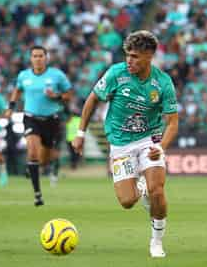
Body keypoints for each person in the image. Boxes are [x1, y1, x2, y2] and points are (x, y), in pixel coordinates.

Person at [72, 30, 178, 258]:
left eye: (135, 56)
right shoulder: (115, 74)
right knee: (127, 201)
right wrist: (80, 132)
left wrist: (160, 148)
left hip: (150, 139)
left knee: (157, 191)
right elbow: (92, 100)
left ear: (149, 56)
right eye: (127, 55)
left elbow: (172, 123)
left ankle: (156, 242)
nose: (129, 60)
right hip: (120, 144)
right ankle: (140, 187)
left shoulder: (163, 83)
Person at [4, 45, 72, 206]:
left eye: (41, 56)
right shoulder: (24, 76)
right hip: (31, 118)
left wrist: (55, 96)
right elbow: (17, 91)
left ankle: (32, 168)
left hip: (51, 120)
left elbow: (68, 95)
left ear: (46, 58)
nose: (38, 59)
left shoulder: (57, 75)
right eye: (35, 56)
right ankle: (37, 194)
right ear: (31, 58)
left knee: (44, 159)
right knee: (33, 152)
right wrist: (11, 107)